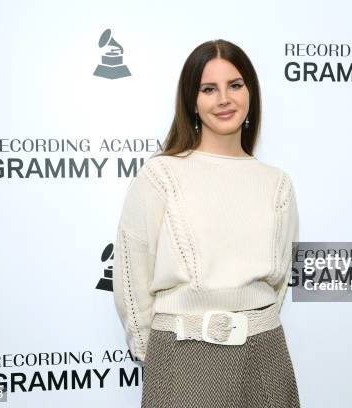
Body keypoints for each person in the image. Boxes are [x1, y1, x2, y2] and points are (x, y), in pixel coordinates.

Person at [112, 38, 300, 408]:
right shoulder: (161, 174)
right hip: (180, 355)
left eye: (235, 85)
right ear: (192, 101)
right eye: (208, 89)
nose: (224, 99)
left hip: (264, 356)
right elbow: (132, 276)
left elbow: (278, 282)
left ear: (251, 93)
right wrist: (159, 354)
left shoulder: (277, 183)